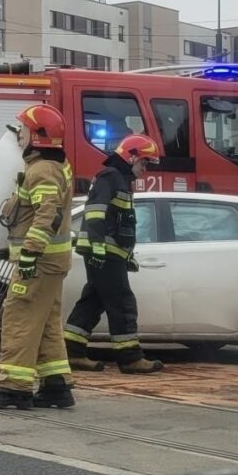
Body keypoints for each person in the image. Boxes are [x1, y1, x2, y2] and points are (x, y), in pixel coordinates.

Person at [0, 105, 76, 410]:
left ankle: (14, 388)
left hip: (38, 262)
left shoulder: (42, 170)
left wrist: (29, 255)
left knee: (19, 319)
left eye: (23, 130)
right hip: (51, 263)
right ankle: (56, 386)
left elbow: (47, 213)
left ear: (37, 135)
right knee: (46, 323)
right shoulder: (52, 165)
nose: (19, 136)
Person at [66, 134, 164, 374]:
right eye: (144, 163)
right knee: (122, 302)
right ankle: (130, 358)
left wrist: (126, 255)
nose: (146, 169)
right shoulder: (111, 177)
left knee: (93, 302)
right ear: (131, 157)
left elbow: (119, 223)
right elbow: (95, 213)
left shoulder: (120, 180)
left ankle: (72, 351)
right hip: (104, 252)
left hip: (109, 253)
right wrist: (99, 247)